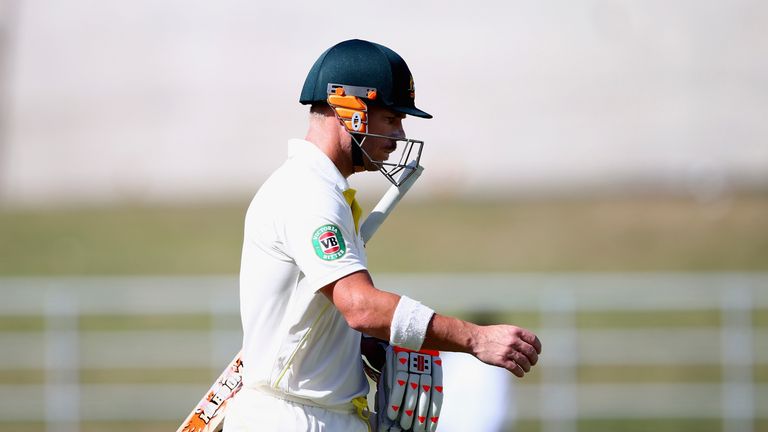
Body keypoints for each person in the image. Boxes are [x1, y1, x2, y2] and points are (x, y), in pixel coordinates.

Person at [224, 39, 542, 432]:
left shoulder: (321, 190)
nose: (399, 135)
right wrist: (474, 338)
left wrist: (359, 346)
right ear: (350, 109)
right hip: (295, 419)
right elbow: (361, 307)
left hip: (314, 414)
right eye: (391, 118)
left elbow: (320, 313)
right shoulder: (308, 194)